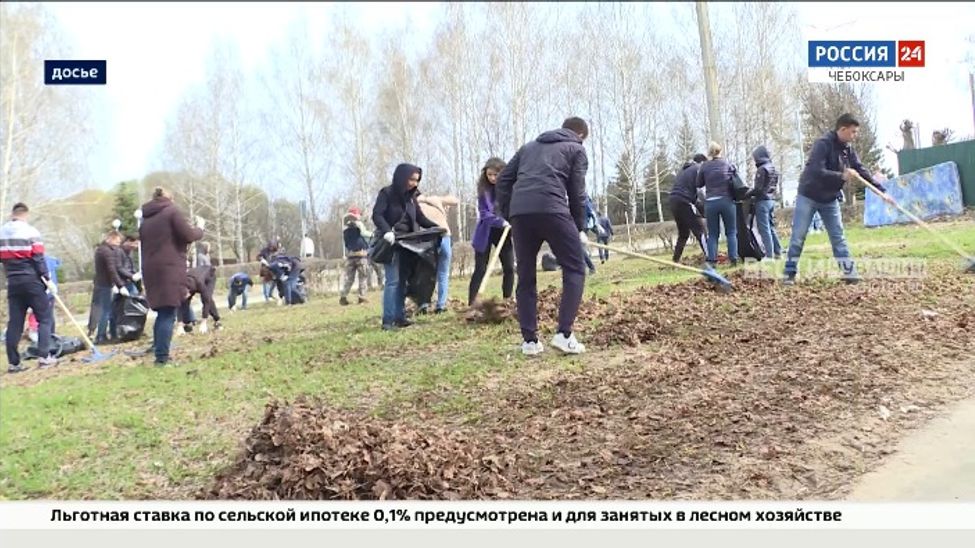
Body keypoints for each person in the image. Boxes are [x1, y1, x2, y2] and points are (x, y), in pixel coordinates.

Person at [495, 116, 590, 356]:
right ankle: (564, 334)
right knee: (575, 268)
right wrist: (579, 228)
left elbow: (503, 179)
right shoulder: (576, 149)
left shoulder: (528, 147)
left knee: (525, 275)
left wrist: (510, 213)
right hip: (552, 209)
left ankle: (529, 341)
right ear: (581, 135)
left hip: (521, 214)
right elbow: (577, 192)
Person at [784, 113, 894, 285]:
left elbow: (860, 169)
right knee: (798, 236)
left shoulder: (848, 149)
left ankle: (850, 274)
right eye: (853, 132)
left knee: (838, 236)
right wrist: (841, 176)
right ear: (842, 129)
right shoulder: (823, 144)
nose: (854, 136)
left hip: (830, 199)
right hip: (809, 195)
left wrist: (882, 191)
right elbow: (816, 170)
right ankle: (789, 274)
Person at [139, 187, 204, 366]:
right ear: (170, 198)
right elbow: (188, 235)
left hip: (150, 269)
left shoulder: (145, 220)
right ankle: (162, 358)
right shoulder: (171, 212)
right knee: (168, 312)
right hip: (169, 268)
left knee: (162, 312)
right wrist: (200, 228)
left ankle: (159, 350)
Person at [371, 163, 438, 330]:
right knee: (392, 281)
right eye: (411, 179)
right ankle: (387, 320)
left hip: (408, 244)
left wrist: (436, 228)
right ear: (402, 177)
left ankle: (399, 316)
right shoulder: (386, 193)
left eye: (417, 180)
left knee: (402, 281)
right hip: (392, 242)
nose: (414, 183)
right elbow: (377, 214)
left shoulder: (411, 198)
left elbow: (420, 218)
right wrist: (387, 231)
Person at [1, 202, 57, 372]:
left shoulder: (2, 232)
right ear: (25, 214)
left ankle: (14, 363)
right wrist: (47, 279)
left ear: (13, 214)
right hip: (31, 280)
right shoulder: (31, 232)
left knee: (15, 323)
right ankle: (44, 356)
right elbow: (38, 258)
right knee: (44, 318)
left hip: (13, 281)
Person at [469, 158, 515, 306]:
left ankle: (507, 299)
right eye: (489, 175)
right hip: (486, 232)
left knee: (509, 267)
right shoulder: (484, 191)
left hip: (504, 233)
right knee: (480, 269)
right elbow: (484, 213)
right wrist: (500, 221)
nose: (492, 178)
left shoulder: (510, 189)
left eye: (496, 174)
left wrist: (511, 220)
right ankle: (472, 303)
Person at [696, 142, 740, 266]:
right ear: (720, 151)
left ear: (709, 153)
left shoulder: (705, 166)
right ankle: (733, 259)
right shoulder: (728, 164)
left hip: (711, 202)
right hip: (727, 201)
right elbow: (736, 180)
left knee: (713, 234)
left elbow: (698, 184)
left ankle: (712, 261)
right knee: (731, 231)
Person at [417, 193, 458, 313]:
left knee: (425, 274)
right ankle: (441, 305)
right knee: (443, 273)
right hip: (444, 236)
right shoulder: (435, 201)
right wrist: (439, 200)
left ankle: (423, 305)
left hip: (426, 239)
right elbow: (455, 200)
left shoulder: (414, 204)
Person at [90, 230, 129, 344]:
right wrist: (120, 285)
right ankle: (101, 336)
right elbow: (112, 270)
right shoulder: (107, 252)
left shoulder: (100, 250)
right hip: (105, 285)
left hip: (99, 283)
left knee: (101, 309)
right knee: (106, 311)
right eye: (117, 241)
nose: (118, 244)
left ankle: (98, 333)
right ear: (111, 239)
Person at [669, 153, 708, 263]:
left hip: (674, 200)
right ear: (702, 162)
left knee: (683, 233)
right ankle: (711, 256)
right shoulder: (698, 169)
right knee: (700, 229)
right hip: (685, 200)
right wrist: (705, 207)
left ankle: (676, 259)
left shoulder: (684, 170)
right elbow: (699, 191)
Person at [747, 146, 783, 260]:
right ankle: (778, 252)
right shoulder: (773, 168)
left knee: (764, 228)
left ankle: (769, 255)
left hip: (762, 201)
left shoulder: (762, 169)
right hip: (771, 200)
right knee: (771, 227)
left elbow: (758, 189)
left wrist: (747, 194)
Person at [339, 207, 371, 306]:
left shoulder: (345, 229)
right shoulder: (359, 225)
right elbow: (364, 234)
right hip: (361, 255)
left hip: (350, 255)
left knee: (349, 278)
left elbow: (346, 243)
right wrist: (374, 235)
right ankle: (362, 296)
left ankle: (343, 296)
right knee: (363, 276)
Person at [180, 265, 221, 332]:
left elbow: (206, 302)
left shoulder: (199, 284)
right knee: (184, 302)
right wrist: (180, 324)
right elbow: (181, 305)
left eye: (185, 295)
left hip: (209, 277)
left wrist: (203, 322)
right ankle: (187, 324)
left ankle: (217, 321)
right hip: (194, 278)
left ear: (188, 292)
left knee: (207, 298)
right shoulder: (181, 283)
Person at [581, 194, 599, 274]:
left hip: (581, 226)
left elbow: (592, 213)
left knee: (579, 247)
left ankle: (591, 267)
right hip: (580, 225)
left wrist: (595, 225)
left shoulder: (584, 200)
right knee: (580, 247)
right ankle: (585, 267)